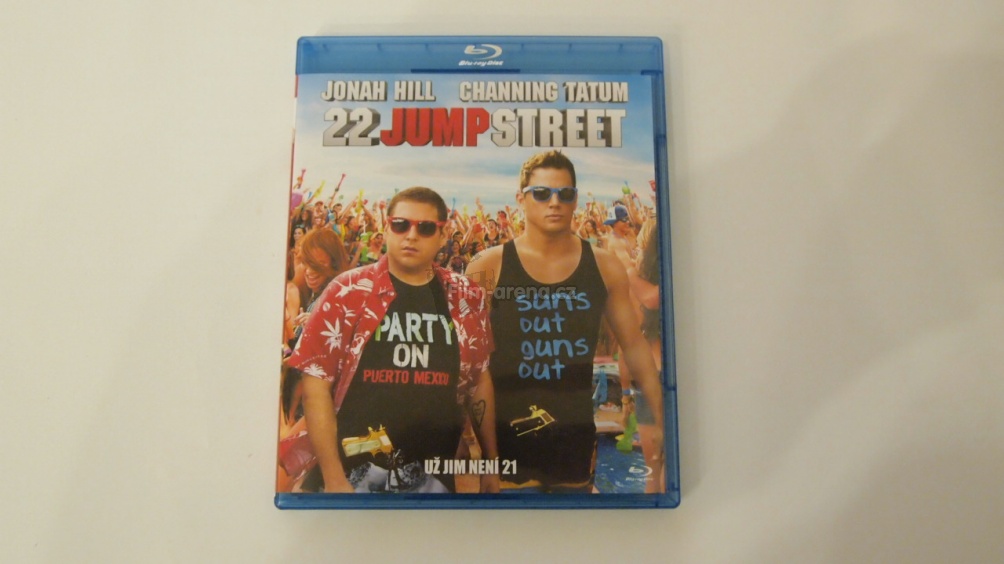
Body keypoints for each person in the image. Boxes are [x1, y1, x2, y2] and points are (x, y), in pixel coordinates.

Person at [467, 150, 664, 493]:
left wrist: (662, 418)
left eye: (565, 193)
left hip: (574, 442)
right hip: (505, 446)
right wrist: (485, 457)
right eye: (542, 193)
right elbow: (472, 365)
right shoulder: (487, 266)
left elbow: (634, 345)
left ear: (575, 199)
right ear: (521, 199)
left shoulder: (604, 267)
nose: (554, 202)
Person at [287, 187, 498, 494]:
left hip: (432, 480)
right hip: (351, 476)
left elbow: (480, 381)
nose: (411, 235)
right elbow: (315, 386)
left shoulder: (465, 295)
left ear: (443, 235)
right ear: (387, 228)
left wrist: (491, 464)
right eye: (400, 225)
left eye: (425, 228)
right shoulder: (347, 290)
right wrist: (334, 479)